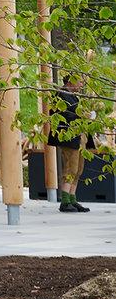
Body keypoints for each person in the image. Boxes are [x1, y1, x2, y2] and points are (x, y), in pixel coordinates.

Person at [52, 73, 92, 212]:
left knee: (79, 169)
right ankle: (64, 201)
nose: (81, 85)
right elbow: (63, 115)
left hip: (79, 137)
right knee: (71, 168)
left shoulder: (74, 96)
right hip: (68, 137)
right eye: (80, 82)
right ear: (71, 81)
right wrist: (83, 115)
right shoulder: (61, 95)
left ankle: (72, 199)